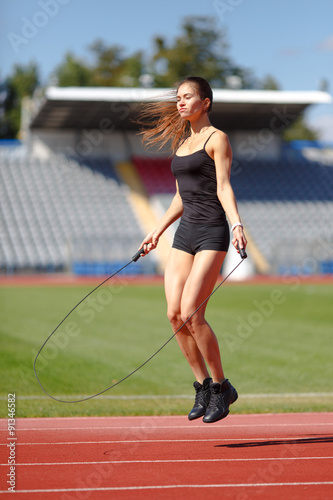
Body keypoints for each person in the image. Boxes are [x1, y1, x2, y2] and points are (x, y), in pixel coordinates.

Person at [138, 76, 247, 423]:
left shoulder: (218, 139)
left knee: (191, 313)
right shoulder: (183, 144)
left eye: (188, 97)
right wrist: (155, 231)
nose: (180, 102)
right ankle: (201, 386)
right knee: (173, 313)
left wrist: (237, 224)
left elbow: (224, 187)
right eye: (178, 98)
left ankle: (221, 387)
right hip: (184, 233)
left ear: (206, 102)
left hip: (213, 232)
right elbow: (178, 198)